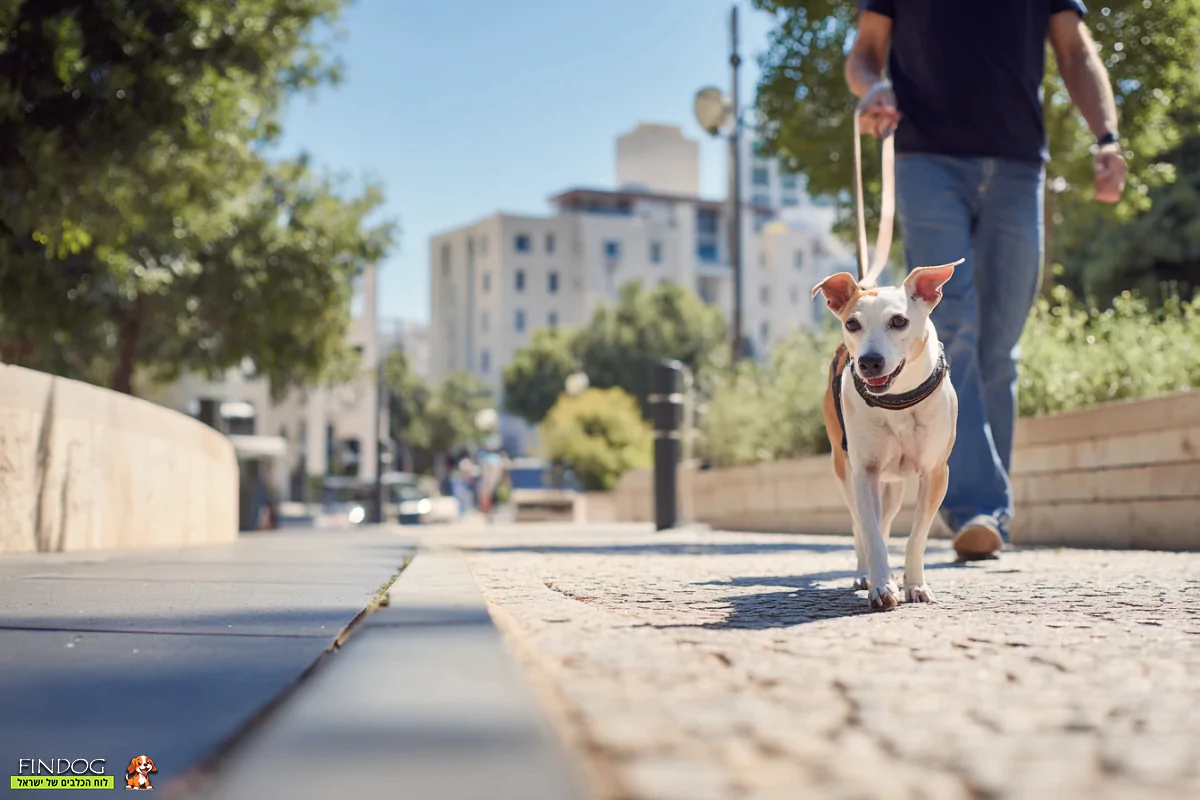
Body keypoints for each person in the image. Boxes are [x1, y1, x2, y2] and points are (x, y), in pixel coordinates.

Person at [845, 1, 1127, 559]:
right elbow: (865, 54)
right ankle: (979, 507)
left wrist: (1108, 138)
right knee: (952, 329)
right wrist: (873, 89)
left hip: (1018, 165)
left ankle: (984, 510)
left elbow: (1076, 52)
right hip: (926, 159)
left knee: (1000, 346)